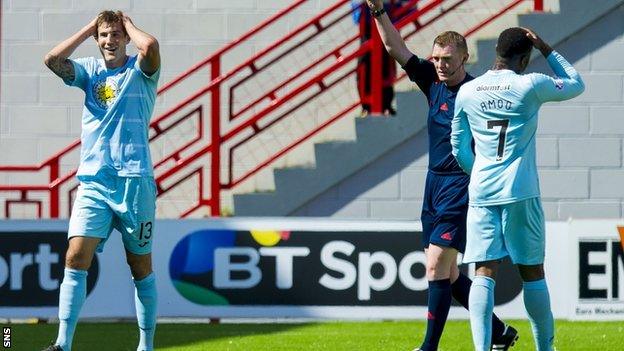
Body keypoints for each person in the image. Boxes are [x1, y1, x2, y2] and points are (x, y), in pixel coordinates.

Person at [364, 1, 517, 350]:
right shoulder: (431, 81)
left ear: (464, 58)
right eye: (436, 59)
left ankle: (428, 347)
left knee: (435, 268)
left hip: (460, 185)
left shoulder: (478, 92)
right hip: (432, 184)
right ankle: (499, 332)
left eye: (447, 59)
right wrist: (377, 11)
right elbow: (394, 48)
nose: (440, 65)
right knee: (447, 275)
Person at [450, 27, 584, 351]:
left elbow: (457, 146)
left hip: (482, 192)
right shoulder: (530, 84)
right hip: (520, 192)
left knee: (483, 272)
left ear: (496, 50)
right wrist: (546, 46)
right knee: (532, 272)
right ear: (525, 58)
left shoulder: (468, 91)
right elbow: (576, 83)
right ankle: (545, 349)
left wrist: (478, 171)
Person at [42, 10, 160, 351]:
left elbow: (150, 45)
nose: (110, 41)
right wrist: (88, 29)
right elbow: (52, 59)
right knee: (75, 256)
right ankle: (62, 344)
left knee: (140, 267)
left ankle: (146, 345)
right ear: (98, 38)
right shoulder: (89, 72)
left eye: (116, 35)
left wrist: (130, 24)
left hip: (135, 182)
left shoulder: (142, 72)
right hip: (94, 182)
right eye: (104, 35)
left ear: (125, 38)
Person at [354, 0, 398, 116]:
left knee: (386, 61)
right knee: (366, 64)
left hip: (387, 17)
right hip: (369, 20)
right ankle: (367, 106)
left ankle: (385, 105)